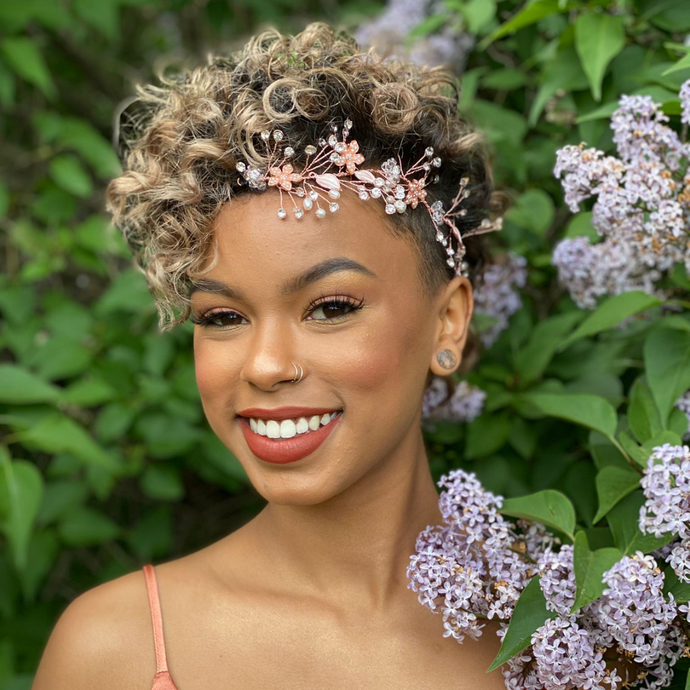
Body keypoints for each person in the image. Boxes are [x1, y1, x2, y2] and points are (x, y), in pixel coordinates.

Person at [32, 22, 508, 690]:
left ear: (448, 321)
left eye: (331, 307)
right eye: (223, 317)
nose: (265, 365)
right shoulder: (114, 652)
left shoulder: (561, 634)